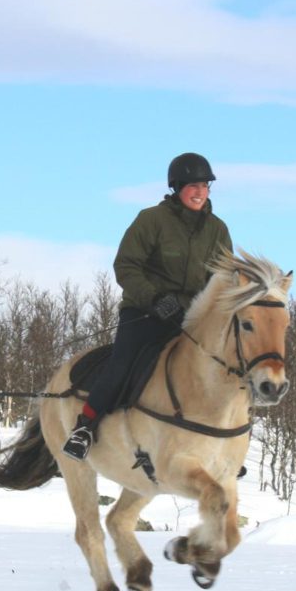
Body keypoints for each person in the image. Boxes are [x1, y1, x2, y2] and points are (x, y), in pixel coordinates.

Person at [62, 152, 233, 460]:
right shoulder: (151, 219)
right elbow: (126, 266)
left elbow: (220, 279)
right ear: (177, 187)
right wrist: (155, 299)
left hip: (190, 318)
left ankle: (219, 443)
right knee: (122, 364)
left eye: (205, 186)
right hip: (145, 310)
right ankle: (85, 427)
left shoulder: (217, 230)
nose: (200, 192)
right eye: (193, 186)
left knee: (221, 366)